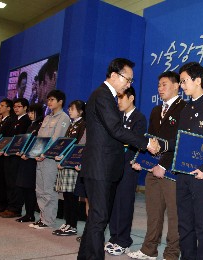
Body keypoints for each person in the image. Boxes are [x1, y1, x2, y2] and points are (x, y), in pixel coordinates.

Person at [77, 58, 159, 260]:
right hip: (100, 167)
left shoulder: (105, 96)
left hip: (104, 167)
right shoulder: (103, 96)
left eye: (131, 81)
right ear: (114, 75)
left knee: (96, 218)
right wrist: (146, 143)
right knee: (99, 218)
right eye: (127, 79)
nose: (129, 84)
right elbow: (115, 129)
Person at [163, 62, 203, 259]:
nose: (182, 85)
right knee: (185, 224)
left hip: (202, 177)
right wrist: (162, 145)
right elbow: (181, 141)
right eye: (180, 82)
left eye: (184, 81)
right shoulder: (185, 110)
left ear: (198, 80)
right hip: (183, 176)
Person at [127, 71, 185, 260]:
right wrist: (141, 162)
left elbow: (180, 142)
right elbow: (151, 141)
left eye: (164, 84)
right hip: (152, 168)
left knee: (175, 216)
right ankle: (148, 250)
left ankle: (171, 253)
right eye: (158, 85)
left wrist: (164, 166)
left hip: (171, 171)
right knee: (153, 212)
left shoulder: (185, 108)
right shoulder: (154, 111)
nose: (160, 88)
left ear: (177, 85)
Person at [104, 86, 147, 256]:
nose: (118, 101)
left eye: (121, 98)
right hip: (114, 165)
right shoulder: (117, 117)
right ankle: (114, 237)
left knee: (125, 203)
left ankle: (123, 240)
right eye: (117, 98)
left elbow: (136, 142)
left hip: (129, 166)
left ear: (131, 98)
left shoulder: (139, 118)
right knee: (114, 202)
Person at [29, 90, 70, 229]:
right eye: (48, 100)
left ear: (60, 101)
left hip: (51, 159)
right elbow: (40, 138)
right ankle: (43, 217)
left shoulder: (64, 118)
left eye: (52, 99)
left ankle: (49, 220)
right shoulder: (47, 118)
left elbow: (56, 139)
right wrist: (36, 153)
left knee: (48, 190)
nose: (49, 102)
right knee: (39, 189)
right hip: (40, 158)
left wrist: (44, 154)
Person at [52, 100, 86, 236]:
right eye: (69, 108)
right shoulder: (72, 125)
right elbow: (65, 144)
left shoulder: (83, 124)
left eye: (72, 109)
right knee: (66, 195)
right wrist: (60, 155)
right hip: (66, 163)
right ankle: (68, 222)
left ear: (81, 111)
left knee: (72, 196)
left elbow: (80, 146)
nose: (69, 111)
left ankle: (73, 224)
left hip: (73, 164)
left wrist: (66, 158)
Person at [0, 98, 32, 218]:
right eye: (15, 107)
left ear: (25, 108)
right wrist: (2, 148)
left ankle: (15, 208)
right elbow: (5, 137)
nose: (16, 109)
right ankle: (9, 206)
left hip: (18, 156)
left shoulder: (27, 121)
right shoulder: (11, 120)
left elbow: (25, 139)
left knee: (16, 183)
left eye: (19, 106)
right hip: (8, 154)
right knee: (9, 181)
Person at [16, 103, 44, 223]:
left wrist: (29, 155)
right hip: (25, 158)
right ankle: (28, 213)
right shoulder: (31, 125)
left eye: (32, 112)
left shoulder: (40, 125)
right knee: (24, 187)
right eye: (29, 112)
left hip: (32, 160)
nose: (30, 115)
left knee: (30, 187)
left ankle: (31, 214)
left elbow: (40, 143)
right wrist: (20, 151)